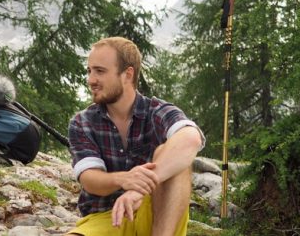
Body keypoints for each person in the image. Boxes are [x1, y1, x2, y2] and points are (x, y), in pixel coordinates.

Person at [66, 37, 205, 236]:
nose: (91, 80)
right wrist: (124, 179)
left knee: (172, 157)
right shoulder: (82, 122)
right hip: (107, 218)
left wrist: (138, 189)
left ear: (127, 74)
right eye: (89, 71)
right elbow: (89, 179)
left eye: (100, 71)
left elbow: (191, 138)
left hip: (156, 215)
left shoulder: (156, 111)